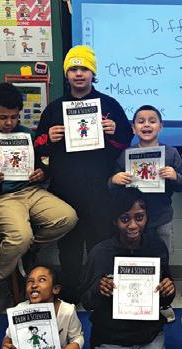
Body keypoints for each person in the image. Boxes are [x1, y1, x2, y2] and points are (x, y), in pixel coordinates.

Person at [35, 45, 132, 303]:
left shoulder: (109, 105)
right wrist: (50, 137)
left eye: (84, 69)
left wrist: (114, 131)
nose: (79, 74)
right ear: (66, 74)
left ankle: (98, 293)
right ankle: (70, 294)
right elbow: (38, 144)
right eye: (73, 69)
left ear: (93, 74)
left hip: (100, 189)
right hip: (65, 190)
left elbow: (125, 141)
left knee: (100, 243)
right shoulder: (55, 108)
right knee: (69, 246)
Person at [80, 188, 176, 349]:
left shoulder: (156, 248)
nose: (133, 225)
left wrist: (168, 290)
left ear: (147, 218)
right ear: (115, 221)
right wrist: (98, 290)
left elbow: (165, 298)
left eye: (139, 217)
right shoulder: (100, 253)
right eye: (125, 219)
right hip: (111, 337)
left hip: (147, 333)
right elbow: (85, 301)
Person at [0, 82, 77, 310]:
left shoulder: (26, 133)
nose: (9, 123)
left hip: (30, 190)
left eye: (14, 117)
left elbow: (43, 163)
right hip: (0, 197)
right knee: (19, 237)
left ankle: (27, 251)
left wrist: (40, 172)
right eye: (2, 117)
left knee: (68, 217)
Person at [109, 105, 182, 253]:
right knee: (133, 257)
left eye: (152, 121)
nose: (146, 125)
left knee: (162, 256)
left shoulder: (171, 153)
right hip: (133, 220)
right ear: (133, 128)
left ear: (161, 127)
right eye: (141, 121)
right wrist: (114, 179)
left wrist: (175, 177)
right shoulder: (126, 154)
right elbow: (112, 186)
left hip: (161, 218)